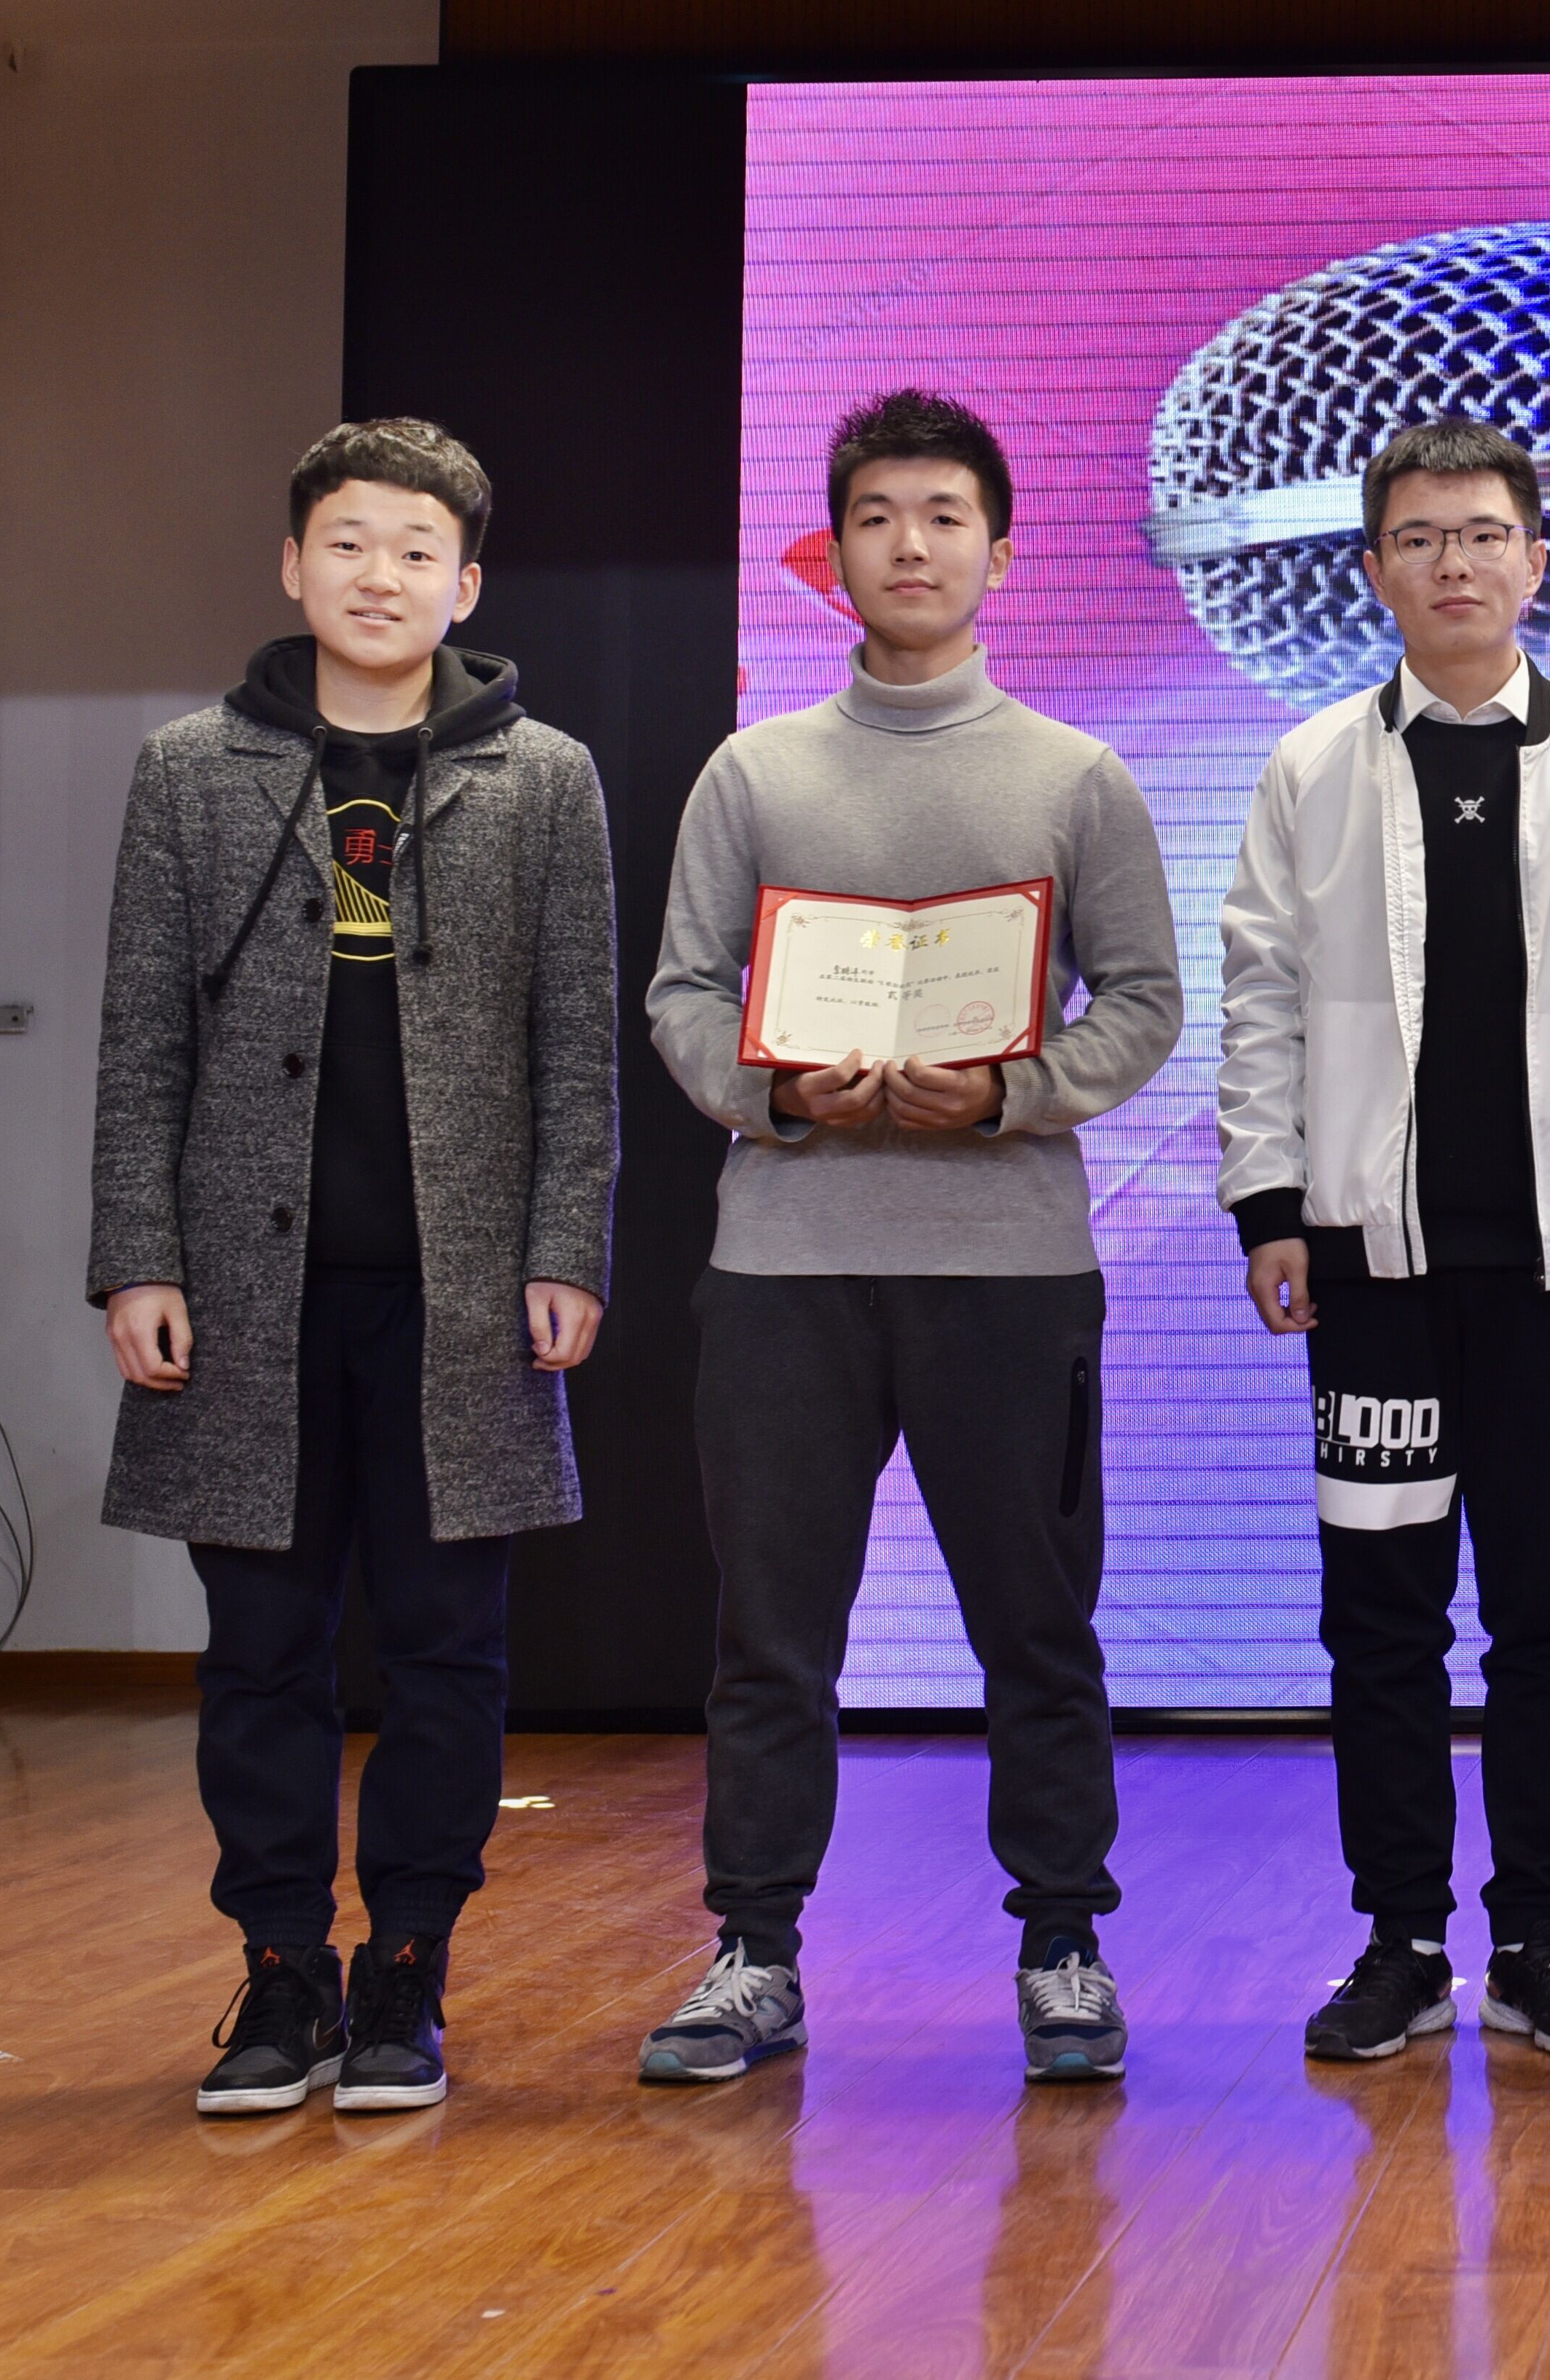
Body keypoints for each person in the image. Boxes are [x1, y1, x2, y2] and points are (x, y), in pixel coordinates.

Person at [635, 388, 1182, 2088]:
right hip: (784, 1268)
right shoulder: (755, 770)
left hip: (1008, 1271)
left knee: (1038, 1627)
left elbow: (1143, 1002)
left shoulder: (1076, 778)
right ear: (834, 554)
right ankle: (753, 1951)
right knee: (771, 1635)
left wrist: (1011, 1089)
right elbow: (682, 992)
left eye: (944, 516)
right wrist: (777, 1096)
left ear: (999, 553)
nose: (911, 545)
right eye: (876, 516)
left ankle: (1063, 1943)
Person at [89, 417, 618, 2118]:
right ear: (290, 565)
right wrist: (137, 1256)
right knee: (261, 1648)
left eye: (414, 550)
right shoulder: (192, 769)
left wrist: (565, 1247)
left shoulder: (545, 776)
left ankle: (404, 1968)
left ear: (465, 585)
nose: (377, 575)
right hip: (249, 1295)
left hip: (461, 1297)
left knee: (449, 1647)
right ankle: (278, 1968)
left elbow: (577, 1048)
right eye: (346, 542)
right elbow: (140, 1040)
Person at [1217, 417, 1550, 2067]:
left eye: (1485, 533)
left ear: (1536, 557)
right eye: (1422, 537)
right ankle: (1400, 1938)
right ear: (1374, 567)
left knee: (1547, 1607)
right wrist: (1270, 1203)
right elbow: (1263, 1001)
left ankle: (1535, 1936)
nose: (1455, 563)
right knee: (1381, 1613)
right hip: (1369, 1265)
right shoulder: (1313, 767)